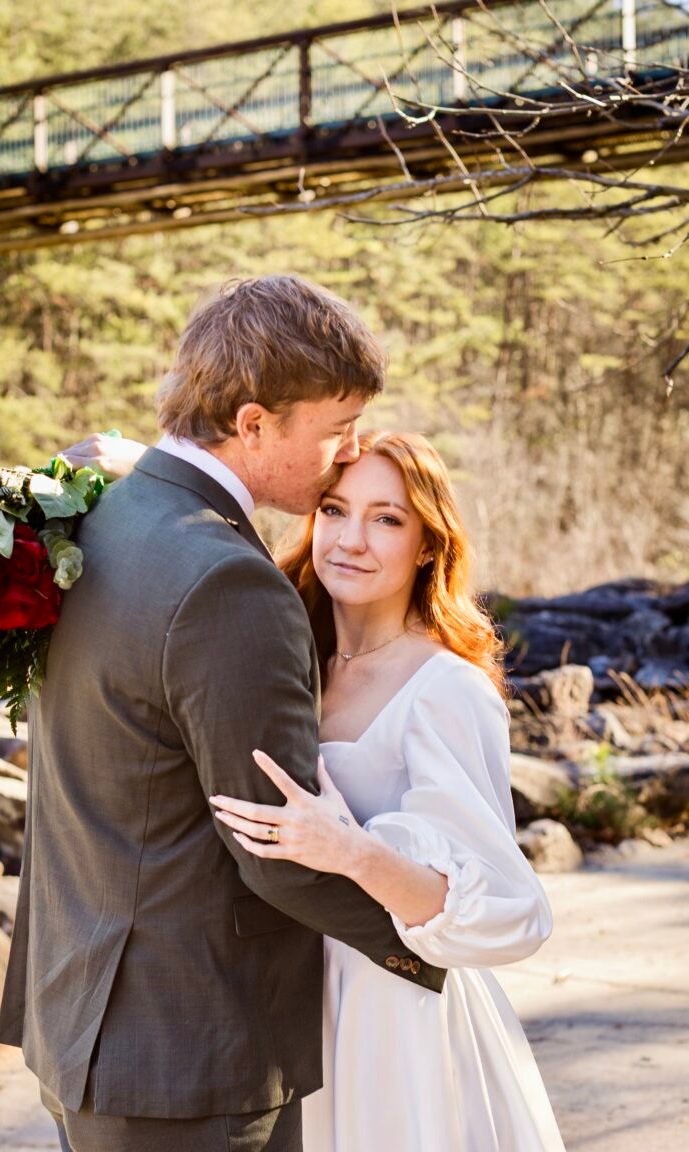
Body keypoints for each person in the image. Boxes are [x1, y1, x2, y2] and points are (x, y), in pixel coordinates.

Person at [0, 276, 448, 1152]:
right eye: (334, 429)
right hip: (191, 1058)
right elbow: (272, 846)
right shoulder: (228, 582)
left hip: (85, 1017)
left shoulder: (101, 511)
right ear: (252, 424)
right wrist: (433, 946)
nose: (347, 455)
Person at [209, 430, 566, 1152]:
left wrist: (349, 852)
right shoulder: (286, 655)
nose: (351, 539)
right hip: (280, 1005)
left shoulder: (447, 690)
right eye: (335, 510)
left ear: (429, 544)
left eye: (387, 519)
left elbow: (513, 912)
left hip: (395, 1021)